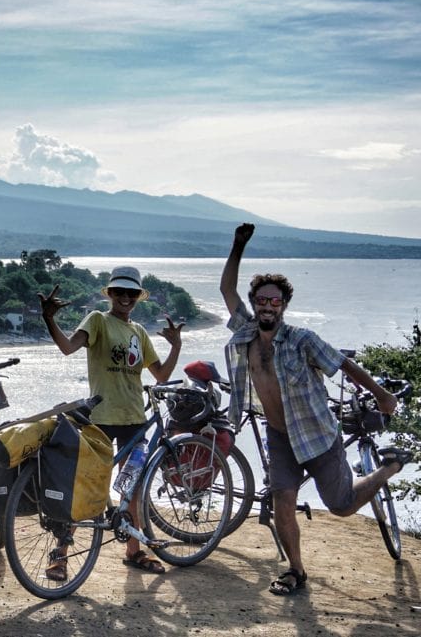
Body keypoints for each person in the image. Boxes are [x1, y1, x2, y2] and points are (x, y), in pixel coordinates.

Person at [220, 223, 411, 596]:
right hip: (280, 435)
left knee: (341, 506)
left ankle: (389, 467)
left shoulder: (302, 340)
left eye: (275, 301)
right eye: (262, 300)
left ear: (284, 306)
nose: (267, 306)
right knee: (282, 502)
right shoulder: (245, 334)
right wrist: (238, 245)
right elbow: (226, 289)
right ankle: (296, 570)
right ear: (255, 304)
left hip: (318, 435)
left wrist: (382, 394)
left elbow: (343, 364)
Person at [39, 267, 184, 579]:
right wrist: (49, 318)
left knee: (131, 488)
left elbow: (161, 376)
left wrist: (176, 346)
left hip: (134, 422)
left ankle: (134, 551)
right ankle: (60, 554)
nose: (126, 298)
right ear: (111, 294)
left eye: (132, 293)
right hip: (101, 420)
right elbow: (67, 348)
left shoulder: (140, 333)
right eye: (120, 292)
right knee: (86, 488)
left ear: (138, 297)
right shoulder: (98, 320)